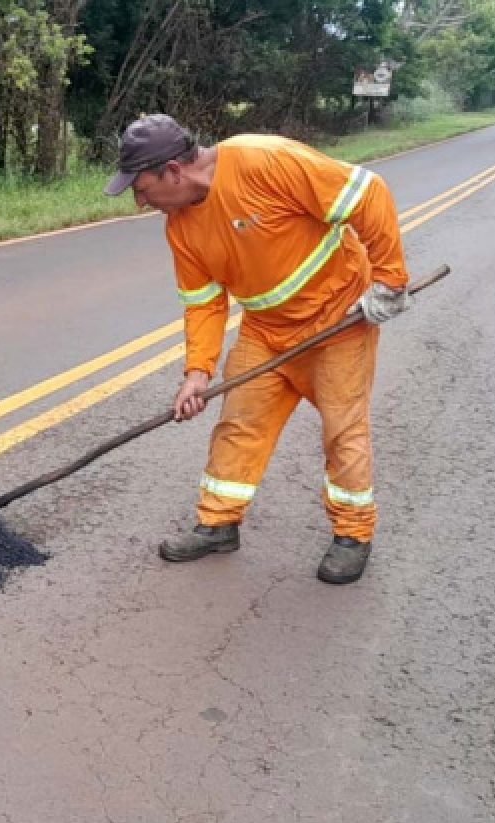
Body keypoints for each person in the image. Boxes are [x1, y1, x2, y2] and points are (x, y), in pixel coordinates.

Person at [105, 114, 410, 584]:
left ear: (173, 171)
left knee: (342, 432)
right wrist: (197, 372)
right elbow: (204, 303)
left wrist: (389, 280)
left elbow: (367, 192)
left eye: (142, 188)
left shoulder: (263, 161)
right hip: (266, 333)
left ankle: (353, 535)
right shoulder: (181, 228)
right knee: (239, 425)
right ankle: (218, 525)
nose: (141, 201)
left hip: (338, 324)